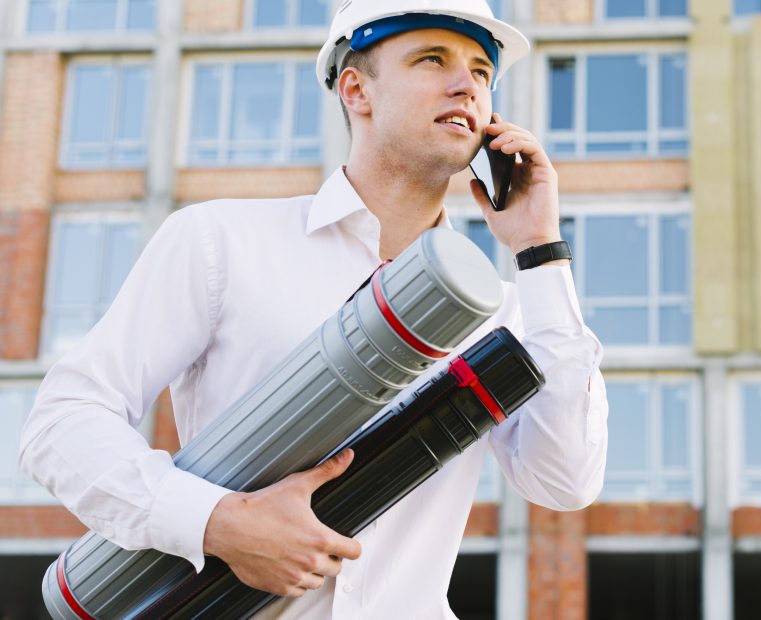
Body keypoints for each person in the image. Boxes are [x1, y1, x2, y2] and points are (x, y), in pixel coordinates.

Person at [18, 0, 608, 617]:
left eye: (483, 72)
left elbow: (564, 479)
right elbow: (63, 422)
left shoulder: (505, 314)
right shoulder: (223, 241)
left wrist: (541, 251)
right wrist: (217, 522)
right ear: (356, 89)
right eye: (433, 59)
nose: (468, 85)